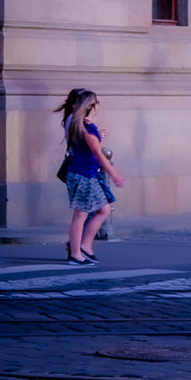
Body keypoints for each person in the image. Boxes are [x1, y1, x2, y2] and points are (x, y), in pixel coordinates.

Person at [57, 89, 125, 266]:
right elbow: (97, 152)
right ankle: (75, 254)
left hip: (88, 174)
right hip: (82, 174)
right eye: (97, 101)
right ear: (93, 106)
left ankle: (85, 246)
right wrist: (114, 173)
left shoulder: (86, 125)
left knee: (104, 209)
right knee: (81, 215)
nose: (99, 104)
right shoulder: (85, 126)